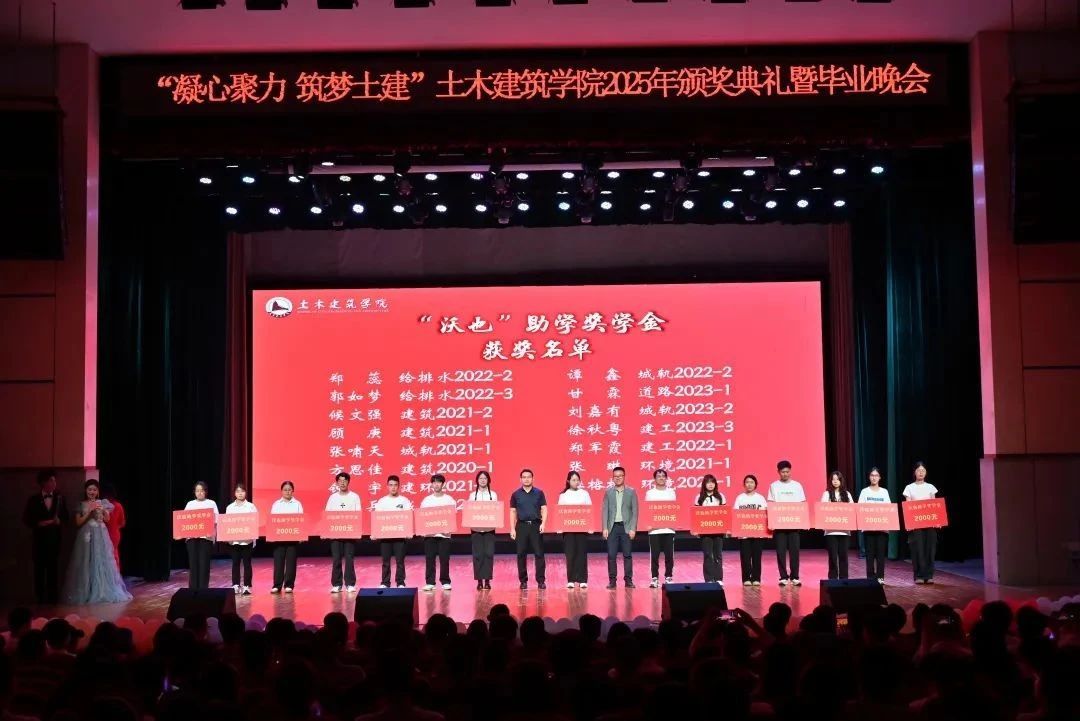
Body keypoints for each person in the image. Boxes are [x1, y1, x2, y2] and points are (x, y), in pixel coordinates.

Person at [62, 479, 132, 604]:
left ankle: (102, 590)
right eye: (89, 489)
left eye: (94, 489)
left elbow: (107, 519)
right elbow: (78, 522)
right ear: (86, 491)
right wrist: (89, 511)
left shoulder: (102, 503)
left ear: (98, 491)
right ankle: (86, 591)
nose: (92, 492)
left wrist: (103, 510)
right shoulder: (82, 504)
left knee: (101, 560)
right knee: (86, 561)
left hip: (100, 534)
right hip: (87, 535)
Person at [23, 469, 68, 604]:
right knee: (39, 570)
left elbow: (66, 517)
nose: (54, 483)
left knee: (53, 570)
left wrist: (60, 521)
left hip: (54, 540)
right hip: (39, 541)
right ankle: (40, 598)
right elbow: (26, 519)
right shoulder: (33, 500)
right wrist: (38, 523)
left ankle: (53, 598)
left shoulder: (60, 498)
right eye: (51, 480)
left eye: (54, 480)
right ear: (43, 482)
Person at [767, 460, 806, 587]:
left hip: (794, 523)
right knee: (780, 551)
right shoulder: (774, 486)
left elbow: (802, 504)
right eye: (783, 472)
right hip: (779, 524)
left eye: (787, 472)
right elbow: (771, 504)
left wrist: (802, 521)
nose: (785, 474)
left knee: (795, 551)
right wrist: (772, 521)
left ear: (790, 471)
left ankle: (795, 577)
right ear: (778, 472)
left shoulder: (797, 486)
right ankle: (783, 577)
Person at [509, 468, 547, 590]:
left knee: (539, 554)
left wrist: (543, 523)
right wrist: (512, 528)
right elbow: (513, 512)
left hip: (536, 525)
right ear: (520, 479)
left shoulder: (539, 493)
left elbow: (544, 509)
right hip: (521, 526)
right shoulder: (516, 494)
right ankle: (523, 581)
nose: (526, 479)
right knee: (521, 554)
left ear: (533, 479)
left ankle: (541, 581)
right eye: (524, 477)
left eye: (529, 477)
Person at [325, 472, 362, 594]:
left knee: (349, 558)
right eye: (340, 481)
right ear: (337, 483)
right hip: (335, 532)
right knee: (336, 559)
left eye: (345, 480)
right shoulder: (333, 498)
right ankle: (337, 584)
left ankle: (350, 584)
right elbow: (328, 514)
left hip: (350, 532)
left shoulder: (354, 497)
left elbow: (358, 514)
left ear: (348, 482)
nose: (342, 483)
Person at [373, 476, 413, 588]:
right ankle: (385, 583)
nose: (393, 487)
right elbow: (378, 519)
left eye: (395, 485)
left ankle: (400, 582)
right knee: (385, 561)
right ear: (387, 486)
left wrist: (409, 531)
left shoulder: (404, 501)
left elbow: (407, 517)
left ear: (398, 486)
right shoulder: (382, 501)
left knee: (400, 561)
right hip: (385, 536)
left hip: (400, 536)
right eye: (391, 485)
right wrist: (375, 533)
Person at [602, 466, 638, 589]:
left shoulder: (631, 492)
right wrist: (604, 527)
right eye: (615, 476)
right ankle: (612, 581)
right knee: (611, 555)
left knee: (627, 554)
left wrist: (633, 528)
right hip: (612, 528)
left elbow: (635, 511)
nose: (618, 478)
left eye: (620, 476)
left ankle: (628, 580)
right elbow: (605, 511)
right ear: (613, 478)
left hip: (626, 527)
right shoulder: (608, 492)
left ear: (624, 477)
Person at [903, 461, 939, 584]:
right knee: (917, 549)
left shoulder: (931, 487)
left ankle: (929, 575)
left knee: (930, 548)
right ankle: (918, 575)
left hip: (929, 523)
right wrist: (908, 522)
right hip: (916, 524)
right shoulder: (909, 488)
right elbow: (908, 507)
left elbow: (935, 505)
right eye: (918, 470)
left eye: (923, 470)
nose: (921, 473)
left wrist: (937, 520)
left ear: (926, 472)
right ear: (915, 472)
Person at [420, 474, 456, 592]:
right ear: (432, 484)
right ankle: (430, 582)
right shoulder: (427, 500)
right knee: (430, 559)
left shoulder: (449, 499)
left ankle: (445, 581)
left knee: (444, 559)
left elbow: (452, 515)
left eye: (439, 482)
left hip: (444, 535)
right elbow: (422, 516)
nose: (436, 484)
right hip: (430, 535)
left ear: (443, 484)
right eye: (434, 482)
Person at [558, 470, 592, 589]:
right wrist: (560, 527)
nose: (576, 482)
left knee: (581, 553)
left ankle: (582, 579)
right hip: (568, 529)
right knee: (570, 553)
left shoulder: (584, 494)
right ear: (568, 481)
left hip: (582, 528)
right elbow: (560, 513)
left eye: (577, 480)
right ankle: (571, 579)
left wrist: (589, 526)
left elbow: (589, 510)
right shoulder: (563, 495)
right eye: (573, 480)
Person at [858, 467, 891, 584]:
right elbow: (860, 508)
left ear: (880, 477)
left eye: (876, 475)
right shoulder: (864, 492)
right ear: (869, 477)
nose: (874, 477)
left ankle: (880, 578)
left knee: (881, 555)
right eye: (872, 475)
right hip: (868, 529)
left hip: (882, 529)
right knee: (870, 555)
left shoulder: (884, 492)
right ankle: (870, 579)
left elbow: (888, 509)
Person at [645, 468, 676, 588]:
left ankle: (669, 576)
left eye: (663, 476)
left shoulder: (671, 492)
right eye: (659, 476)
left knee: (669, 555)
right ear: (655, 479)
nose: (661, 478)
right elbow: (648, 510)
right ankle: (654, 578)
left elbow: (674, 509)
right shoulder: (650, 493)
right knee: (654, 555)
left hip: (669, 528)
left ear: (666, 478)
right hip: (654, 530)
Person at [184, 481, 219, 590]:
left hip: (206, 538)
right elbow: (183, 520)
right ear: (194, 492)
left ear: (205, 492)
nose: (199, 493)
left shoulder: (211, 503)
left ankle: (203, 590)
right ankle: (193, 590)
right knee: (193, 564)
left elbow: (216, 520)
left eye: (202, 490)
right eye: (197, 491)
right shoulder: (190, 504)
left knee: (204, 565)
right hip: (192, 538)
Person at [733, 474, 767, 586]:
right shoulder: (740, 498)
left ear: (755, 484)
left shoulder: (760, 498)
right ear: (744, 484)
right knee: (745, 557)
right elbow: (736, 514)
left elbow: (765, 513)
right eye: (747, 482)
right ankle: (746, 578)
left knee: (757, 556)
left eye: (752, 482)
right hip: (744, 532)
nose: (749, 484)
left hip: (758, 532)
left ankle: (756, 578)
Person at [269, 481, 303, 593]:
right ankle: (277, 585)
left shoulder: (297, 504)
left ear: (292, 491)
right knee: (278, 562)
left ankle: (289, 585)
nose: (287, 492)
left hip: (293, 537)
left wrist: (301, 534)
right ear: (281, 491)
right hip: (279, 537)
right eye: (285, 490)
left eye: (289, 490)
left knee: (291, 562)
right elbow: (272, 521)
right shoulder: (276, 504)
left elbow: (301, 520)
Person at [693, 474, 726, 585]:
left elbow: (724, 514)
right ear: (704, 484)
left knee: (718, 555)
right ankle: (709, 579)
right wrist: (696, 530)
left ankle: (719, 578)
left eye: (712, 482)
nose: (710, 484)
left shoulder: (720, 496)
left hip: (718, 530)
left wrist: (726, 529)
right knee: (707, 554)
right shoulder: (699, 497)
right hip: (705, 531)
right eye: (708, 482)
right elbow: (696, 515)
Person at [225, 483, 257, 595]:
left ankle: (247, 586)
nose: (240, 493)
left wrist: (253, 538)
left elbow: (255, 523)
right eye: (238, 491)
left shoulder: (251, 507)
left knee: (247, 563)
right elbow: (226, 523)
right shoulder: (230, 507)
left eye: (242, 491)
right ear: (235, 493)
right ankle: (235, 585)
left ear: (245, 493)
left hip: (247, 541)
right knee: (235, 563)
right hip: (234, 541)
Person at [820, 471, 852, 580]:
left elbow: (852, 510)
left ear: (841, 481)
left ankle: (844, 580)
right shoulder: (826, 494)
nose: (835, 481)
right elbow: (822, 510)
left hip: (844, 531)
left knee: (844, 556)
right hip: (831, 531)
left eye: (837, 479)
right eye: (833, 479)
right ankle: (833, 580)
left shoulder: (847, 494)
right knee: (832, 557)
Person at [469, 471, 497, 590]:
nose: (483, 480)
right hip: (476, 529)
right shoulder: (472, 495)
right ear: (477, 480)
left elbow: (496, 510)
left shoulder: (493, 495)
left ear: (488, 480)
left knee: (489, 554)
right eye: (480, 478)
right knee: (478, 555)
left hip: (489, 529)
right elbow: (469, 511)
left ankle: (487, 581)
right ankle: (479, 581)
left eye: (485, 478)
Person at [100, 481, 126, 572]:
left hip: (107, 532)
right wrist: (116, 527)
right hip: (114, 533)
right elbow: (122, 523)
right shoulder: (118, 505)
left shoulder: (103, 505)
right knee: (114, 554)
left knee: (109, 554)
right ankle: (115, 575)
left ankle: (110, 575)